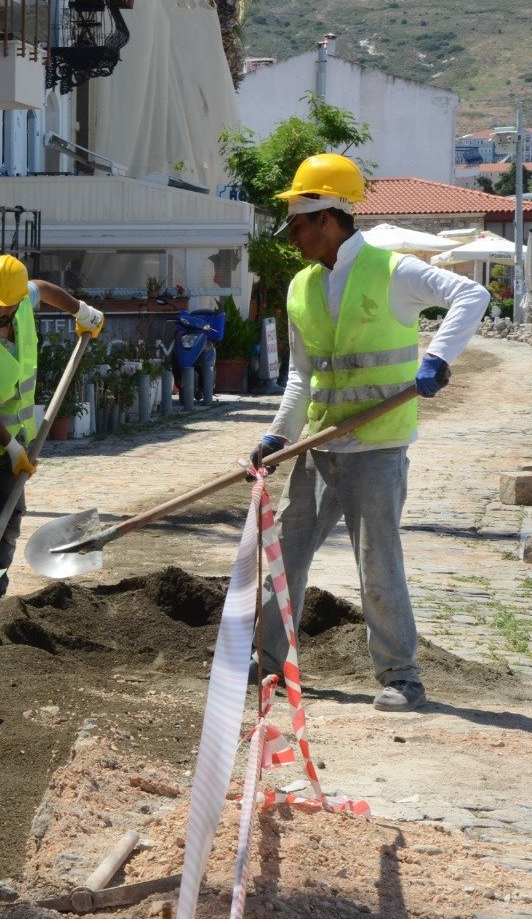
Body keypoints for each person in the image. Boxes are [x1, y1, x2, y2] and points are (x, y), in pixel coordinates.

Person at [248, 153, 489, 712]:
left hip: (377, 447)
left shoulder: (393, 270)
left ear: (329, 218)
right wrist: (278, 436)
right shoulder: (302, 286)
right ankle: (268, 666)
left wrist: (438, 359)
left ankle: (401, 677)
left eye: (299, 224)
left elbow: (470, 296)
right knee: (283, 555)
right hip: (319, 445)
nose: (293, 236)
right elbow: (301, 376)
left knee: (378, 561)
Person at [0, 254, 105, 604]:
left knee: (8, 519)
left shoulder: (22, 301)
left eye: (6, 304)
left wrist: (80, 310)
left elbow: (43, 288)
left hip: (12, 433)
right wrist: (11, 448)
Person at [172, 308, 224, 408]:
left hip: (201, 338)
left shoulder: (209, 332)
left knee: (208, 355)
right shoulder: (184, 328)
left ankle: (207, 392)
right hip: (190, 336)